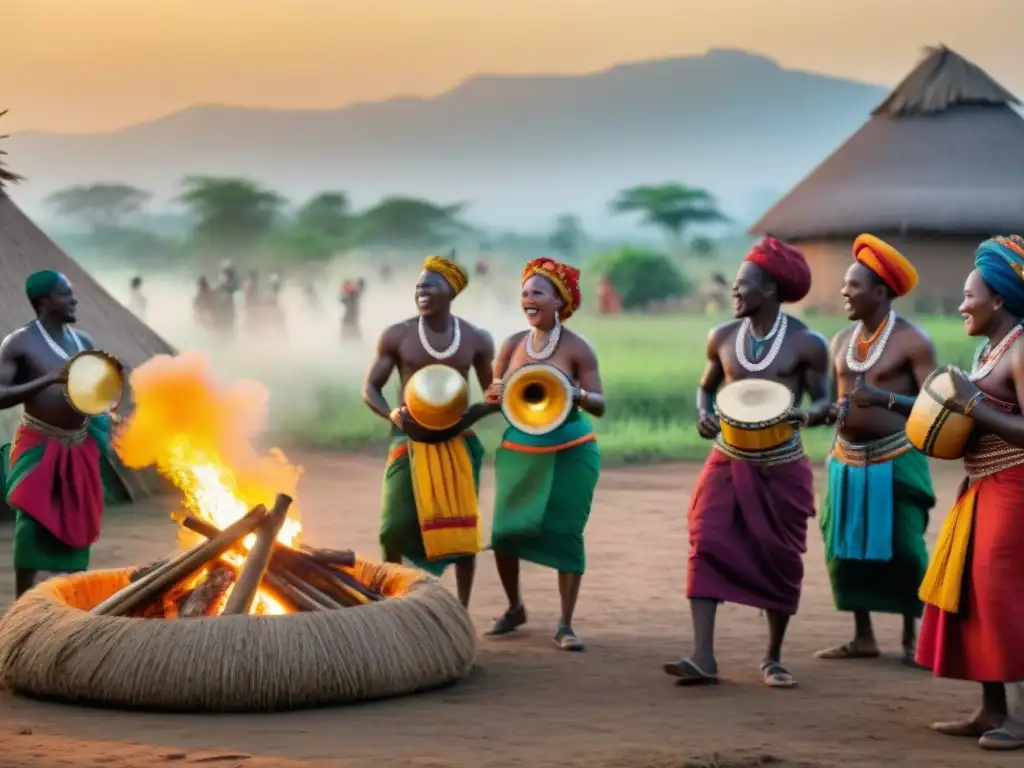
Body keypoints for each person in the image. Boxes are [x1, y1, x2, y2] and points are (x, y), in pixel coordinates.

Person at [663, 237, 831, 688]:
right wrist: (703, 412)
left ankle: (773, 657)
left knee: (779, 556)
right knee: (707, 538)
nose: (733, 293)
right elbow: (706, 386)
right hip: (728, 458)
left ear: (771, 290)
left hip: (782, 464)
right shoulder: (720, 337)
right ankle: (702, 656)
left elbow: (827, 402)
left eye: (742, 285)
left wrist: (802, 416)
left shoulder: (807, 343)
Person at [915, 235, 1024, 750]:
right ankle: (991, 710)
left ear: (999, 299)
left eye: (968, 295)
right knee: (977, 595)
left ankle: (1021, 719)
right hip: (983, 485)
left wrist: (972, 406)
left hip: (1015, 487)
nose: (961, 305)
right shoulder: (988, 349)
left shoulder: (1023, 349)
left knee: (1006, 599)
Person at [814, 234, 937, 666]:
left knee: (904, 549)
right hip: (846, 459)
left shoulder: (913, 341)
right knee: (843, 548)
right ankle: (862, 635)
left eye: (854, 285)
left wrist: (885, 401)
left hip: (896, 455)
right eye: (846, 285)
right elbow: (830, 404)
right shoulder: (839, 342)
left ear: (881, 292)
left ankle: (912, 639)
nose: (844, 292)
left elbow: (935, 403)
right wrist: (812, 414)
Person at [484, 258, 604, 651]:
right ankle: (514, 607)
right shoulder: (512, 345)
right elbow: (494, 393)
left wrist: (576, 394)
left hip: (570, 449)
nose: (528, 299)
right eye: (524, 293)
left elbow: (600, 403)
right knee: (504, 533)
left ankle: (566, 624)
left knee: (565, 532)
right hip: (521, 448)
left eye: (537, 292)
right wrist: (492, 394)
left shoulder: (577, 347)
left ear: (559, 299)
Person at [361, 255, 494, 607]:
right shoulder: (398, 335)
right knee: (393, 527)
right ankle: (391, 604)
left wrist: (479, 411)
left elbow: (492, 392)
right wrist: (392, 414)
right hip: (409, 437)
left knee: (462, 532)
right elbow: (370, 388)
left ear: (451, 291)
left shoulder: (476, 339)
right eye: (418, 285)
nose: (421, 290)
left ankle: (461, 612)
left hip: (458, 439)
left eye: (430, 285)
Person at [0, 271, 116, 598]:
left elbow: (98, 394)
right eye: (65, 294)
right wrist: (48, 379)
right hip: (39, 444)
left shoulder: (84, 342)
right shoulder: (20, 342)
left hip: (79, 445)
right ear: (45, 301)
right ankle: (23, 608)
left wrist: (111, 410)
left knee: (75, 523)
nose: (74, 299)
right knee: (33, 526)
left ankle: (69, 607)